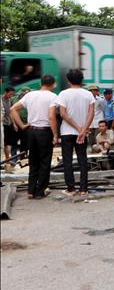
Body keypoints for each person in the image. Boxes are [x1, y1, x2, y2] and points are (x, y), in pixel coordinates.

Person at [9, 75, 58, 199]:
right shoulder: (53, 97)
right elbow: (52, 117)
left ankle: (31, 191)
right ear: (52, 84)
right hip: (44, 131)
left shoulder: (30, 95)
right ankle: (40, 191)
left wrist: (22, 125)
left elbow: (13, 109)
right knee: (45, 162)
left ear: (41, 83)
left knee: (33, 161)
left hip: (31, 131)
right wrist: (55, 135)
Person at [56, 69, 95, 197]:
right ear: (82, 80)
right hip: (82, 133)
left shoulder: (63, 94)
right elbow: (91, 113)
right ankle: (84, 189)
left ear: (68, 80)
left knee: (67, 160)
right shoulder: (88, 94)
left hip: (67, 132)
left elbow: (62, 114)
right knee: (82, 159)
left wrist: (78, 128)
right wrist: (82, 130)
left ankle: (71, 189)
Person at [11, 87, 31, 154]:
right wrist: (13, 123)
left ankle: (23, 157)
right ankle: (14, 159)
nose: (25, 95)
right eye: (24, 94)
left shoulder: (30, 100)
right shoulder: (13, 99)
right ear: (21, 93)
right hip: (15, 124)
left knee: (24, 142)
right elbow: (10, 111)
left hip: (25, 124)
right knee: (14, 142)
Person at [2, 87, 17, 162]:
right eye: (10, 94)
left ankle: (7, 159)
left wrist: (14, 124)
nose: (11, 96)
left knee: (7, 143)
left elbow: (10, 113)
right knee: (4, 143)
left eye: (12, 95)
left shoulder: (9, 101)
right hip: (2, 124)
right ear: (5, 92)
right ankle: (7, 159)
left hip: (8, 124)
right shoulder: (1, 100)